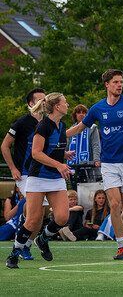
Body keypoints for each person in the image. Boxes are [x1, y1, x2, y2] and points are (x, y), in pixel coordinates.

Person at [65, 69, 123, 260]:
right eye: (115, 82)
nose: (119, 85)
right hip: (108, 164)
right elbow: (80, 127)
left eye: (121, 82)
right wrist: (57, 135)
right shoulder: (97, 108)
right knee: (114, 204)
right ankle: (121, 246)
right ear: (107, 84)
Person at [6, 93, 72, 269]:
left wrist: (63, 156)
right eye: (65, 102)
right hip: (38, 177)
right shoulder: (43, 126)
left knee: (62, 217)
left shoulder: (61, 125)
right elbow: (36, 153)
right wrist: (59, 164)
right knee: (33, 220)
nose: (68, 104)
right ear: (57, 106)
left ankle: (43, 239)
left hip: (55, 178)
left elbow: (51, 149)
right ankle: (14, 253)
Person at [66, 104, 101, 183]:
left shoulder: (92, 127)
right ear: (75, 115)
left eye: (84, 112)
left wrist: (96, 160)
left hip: (89, 165)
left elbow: (96, 145)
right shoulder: (71, 129)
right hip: (74, 166)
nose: (81, 114)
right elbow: (67, 146)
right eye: (79, 112)